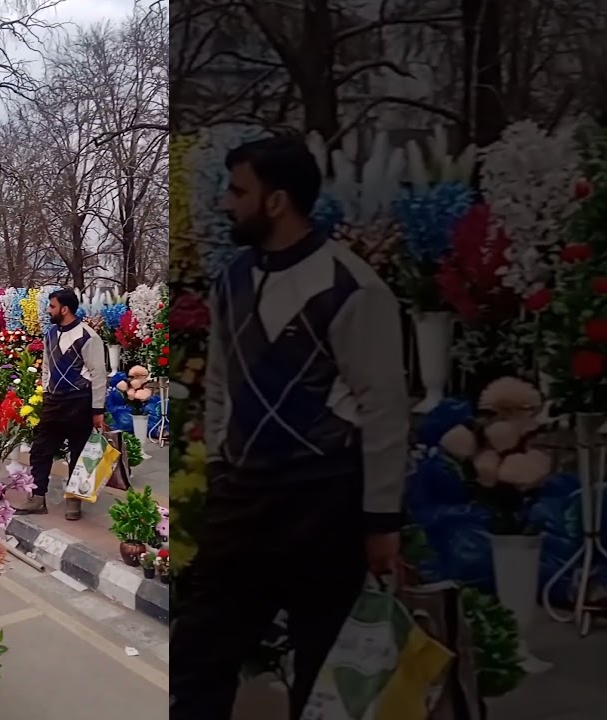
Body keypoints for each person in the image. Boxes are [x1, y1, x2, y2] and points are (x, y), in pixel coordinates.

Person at [171, 135, 408, 719]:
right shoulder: (230, 283)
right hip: (243, 500)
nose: (226, 202)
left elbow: (384, 408)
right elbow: (221, 384)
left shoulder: (351, 287)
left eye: (238, 190)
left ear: (276, 202)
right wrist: (224, 468)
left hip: (323, 501)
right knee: (201, 654)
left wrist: (381, 522)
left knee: (319, 662)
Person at [12, 288, 107, 520]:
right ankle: (37, 498)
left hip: (79, 403)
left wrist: (97, 411)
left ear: (64, 309)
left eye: (52, 306)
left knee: (78, 453)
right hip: (54, 402)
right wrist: (46, 392)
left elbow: (99, 374)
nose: (48, 310)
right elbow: (46, 366)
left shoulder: (88, 337)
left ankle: (74, 502)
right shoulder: (50, 334)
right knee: (41, 449)